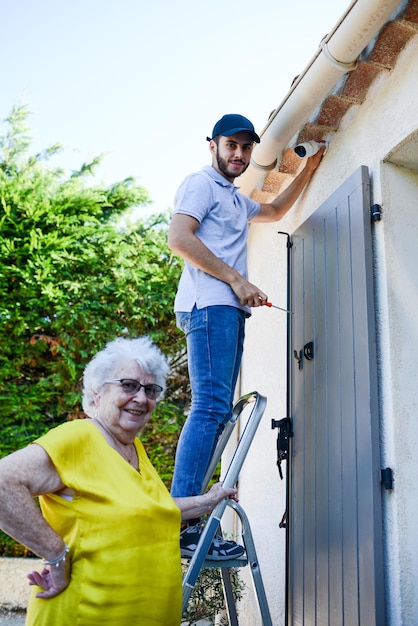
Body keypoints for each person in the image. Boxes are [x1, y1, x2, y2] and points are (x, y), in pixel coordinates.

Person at [168, 113, 324, 557]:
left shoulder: (235, 200)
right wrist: (236, 281)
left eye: (245, 147)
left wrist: (308, 169)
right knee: (210, 407)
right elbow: (179, 237)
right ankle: (185, 522)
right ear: (212, 145)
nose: (238, 154)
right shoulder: (200, 183)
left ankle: (191, 517)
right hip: (211, 305)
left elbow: (275, 211)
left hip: (228, 310)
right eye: (230, 145)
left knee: (216, 413)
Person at [0, 336, 239, 626]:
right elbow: (3, 483)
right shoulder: (79, 438)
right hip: (86, 614)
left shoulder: (133, 448)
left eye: (151, 390)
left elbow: (150, 509)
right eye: (128, 385)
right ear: (97, 392)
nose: (142, 398)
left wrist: (207, 500)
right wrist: (54, 554)